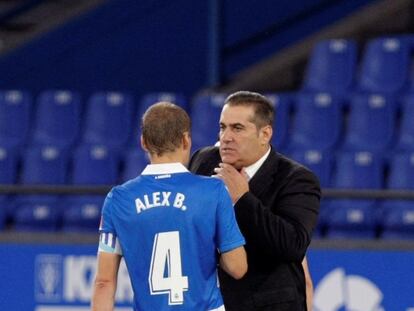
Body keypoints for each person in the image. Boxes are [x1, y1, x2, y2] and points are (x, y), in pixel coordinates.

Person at [91, 102, 247, 311]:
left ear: (144, 142)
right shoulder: (213, 191)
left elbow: (104, 283)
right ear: (186, 140)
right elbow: (238, 268)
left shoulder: (118, 199)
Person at [189, 91, 320, 311]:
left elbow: (292, 245)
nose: (226, 137)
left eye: (237, 128)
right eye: (223, 127)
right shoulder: (204, 161)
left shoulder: (296, 179)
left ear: (265, 134)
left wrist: (243, 199)